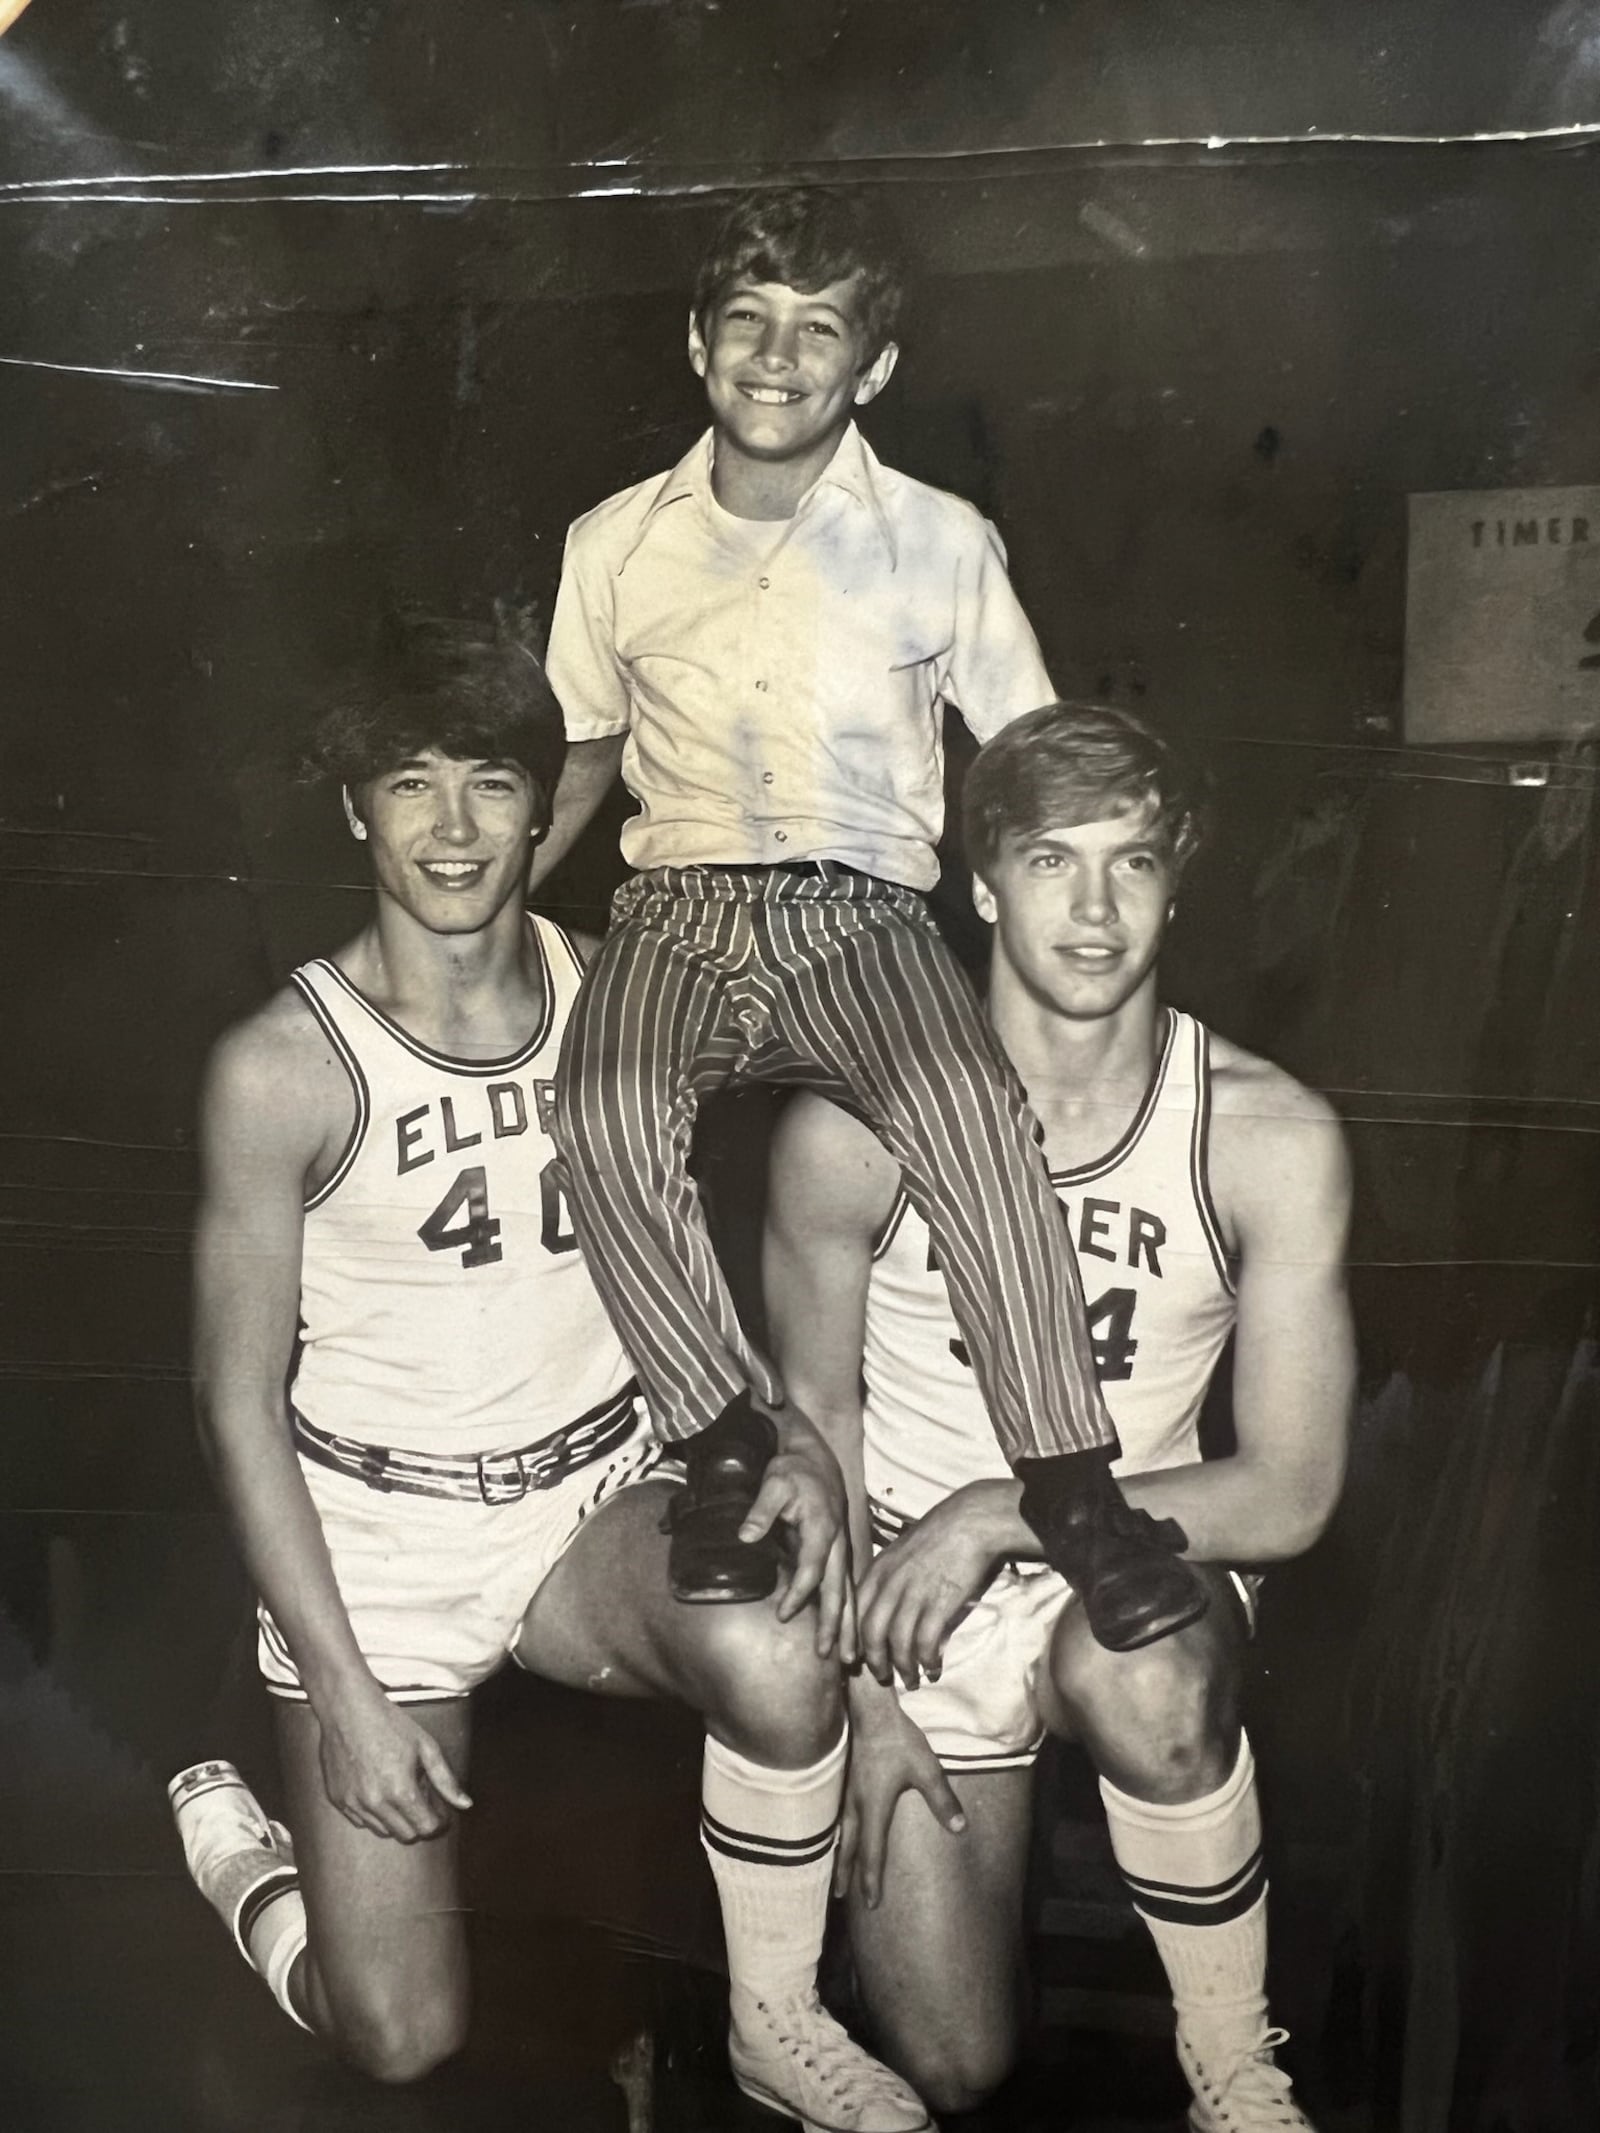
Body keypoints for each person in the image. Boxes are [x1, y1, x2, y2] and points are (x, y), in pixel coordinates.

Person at [169, 617, 931, 2133]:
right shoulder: (285, 1065)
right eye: (409, 785)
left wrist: (773, 1425)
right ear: (353, 808)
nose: (453, 829)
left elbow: (681, 1242)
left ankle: (776, 2018)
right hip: (378, 1550)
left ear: (542, 804)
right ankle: (255, 1871)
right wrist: (341, 1688)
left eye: (492, 786)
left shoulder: (620, 1003)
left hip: (583, 1505)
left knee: (780, 1637)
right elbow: (233, 1405)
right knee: (397, 2035)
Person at [537, 185, 1204, 1653]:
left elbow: (1029, 758)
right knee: (598, 1102)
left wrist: (1075, 916)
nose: (778, 359)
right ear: (698, 344)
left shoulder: (942, 538)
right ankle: (720, 1442)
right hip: (678, 906)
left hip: (863, 915)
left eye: (818, 331)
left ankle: (1077, 1491)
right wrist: (488, 916)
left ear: (873, 368)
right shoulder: (613, 544)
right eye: (748, 325)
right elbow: (583, 748)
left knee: (971, 1108)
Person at [764, 701, 1355, 2129]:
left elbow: (1288, 1491)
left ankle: (1231, 2060)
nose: (1096, 911)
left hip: (1129, 1566)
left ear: (1178, 875)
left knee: (1139, 1656)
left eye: (1134, 862)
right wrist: (847, 1694)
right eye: (1051, 862)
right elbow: (812, 1433)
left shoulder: (1264, 1132)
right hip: (904, 1601)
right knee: (958, 2062)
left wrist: (1005, 1511)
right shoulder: (856, 1126)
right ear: (980, 882)